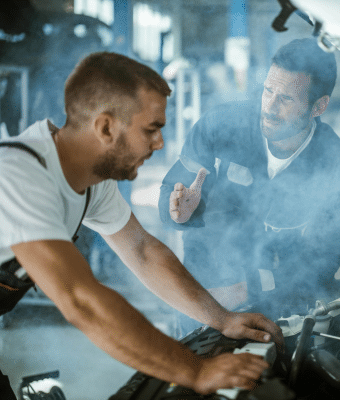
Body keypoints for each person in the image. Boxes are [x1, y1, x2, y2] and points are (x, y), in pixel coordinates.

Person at [0, 52, 283, 398]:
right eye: (152, 129)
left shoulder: (92, 181)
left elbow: (143, 251)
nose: (160, 143)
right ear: (105, 127)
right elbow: (80, 300)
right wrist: (196, 370)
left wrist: (221, 318)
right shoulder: (16, 175)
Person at [159, 38, 340, 328]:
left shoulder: (330, 160)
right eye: (268, 91)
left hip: (279, 301)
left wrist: (246, 290)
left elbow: (324, 257)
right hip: (205, 291)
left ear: (318, 106)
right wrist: (179, 213)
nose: (270, 107)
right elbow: (170, 196)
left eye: (286, 99)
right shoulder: (222, 125)